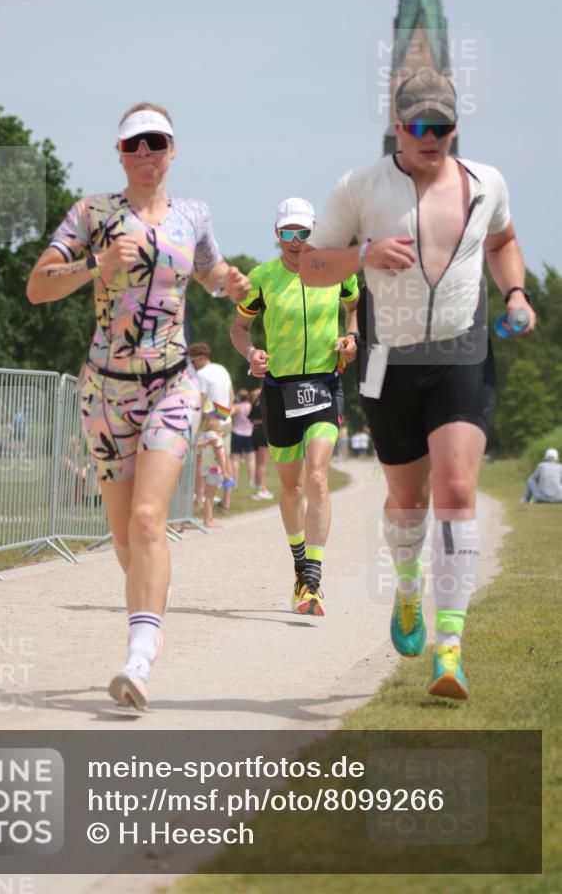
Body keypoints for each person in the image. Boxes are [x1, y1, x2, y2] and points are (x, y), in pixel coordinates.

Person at [299, 69, 537, 699]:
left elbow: (505, 240)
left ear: (457, 127)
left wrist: (514, 290)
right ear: (396, 127)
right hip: (388, 360)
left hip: (463, 352)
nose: (431, 137)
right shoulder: (360, 186)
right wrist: (364, 255)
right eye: (418, 126)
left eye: (443, 126)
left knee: (457, 487)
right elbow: (311, 267)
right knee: (408, 502)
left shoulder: (488, 184)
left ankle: (450, 646)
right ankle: (407, 591)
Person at [26, 102, 250, 711]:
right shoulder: (91, 214)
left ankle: (138, 658)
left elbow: (210, 273)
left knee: (150, 521)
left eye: (157, 142)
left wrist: (232, 284)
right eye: (134, 145)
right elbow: (38, 286)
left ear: (173, 150)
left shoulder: (193, 215)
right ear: (120, 154)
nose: (146, 153)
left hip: (172, 384)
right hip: (104, 390)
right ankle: (147, 606)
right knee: (126, 537)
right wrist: (96, 263)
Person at [230, 197, 359, 616]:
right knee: (292, 487)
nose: (297, 241)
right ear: (277, 233)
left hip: (323, 383)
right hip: (278, 390)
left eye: (304, 232)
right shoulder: (262, 278)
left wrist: (352, 338)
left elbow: (353, 308)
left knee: (318, 478)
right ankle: (300, 566)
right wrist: (250, 353)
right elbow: (239, 327)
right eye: (289, 232)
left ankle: (314, 580)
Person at [188, 343, 235, 510]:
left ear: (201, 358)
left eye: (193, 361)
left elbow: (201, 401)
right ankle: (226, 500)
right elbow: (231, 395)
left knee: (205, 461)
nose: (192, 365)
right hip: (225, 419)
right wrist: (225, 415)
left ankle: (201, 499)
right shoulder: (221, 369)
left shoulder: (201, 374)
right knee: (225, 457)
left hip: (209, 422)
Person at [249, 386, 274, 499]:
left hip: (255, 430)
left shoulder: (254, 393)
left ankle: (259, 487)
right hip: (264, 430)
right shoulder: (269, 391)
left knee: (258, 462)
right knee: (263, 463)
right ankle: (259, 489)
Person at [231, 389, 256, 489]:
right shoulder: (251, 406)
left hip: (236, 433)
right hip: (249, 434)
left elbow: (229, 413)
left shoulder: (237, 406)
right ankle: (251, 482)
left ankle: (235, 482)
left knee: (235, 459)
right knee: (251, 460)